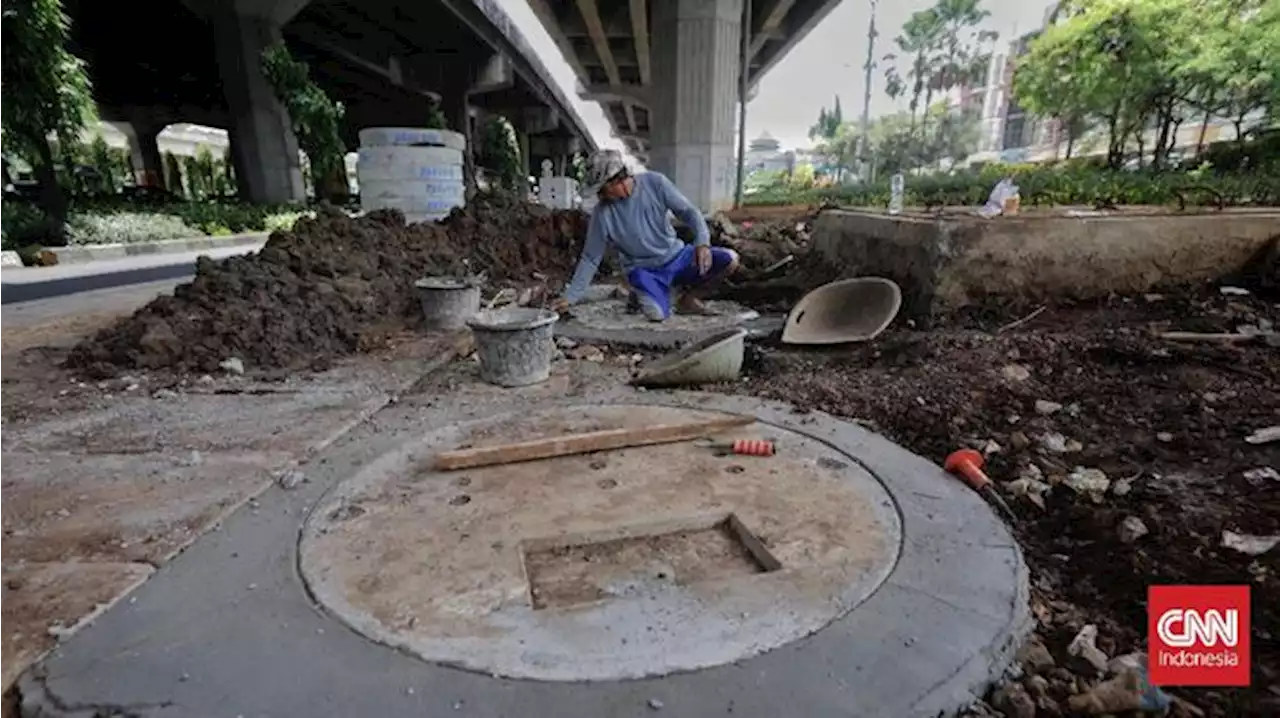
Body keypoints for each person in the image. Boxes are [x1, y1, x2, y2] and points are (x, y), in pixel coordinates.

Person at [549, 150, 739, 321]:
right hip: (644, 271)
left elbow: (689, 212)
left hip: (678, 257)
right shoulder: (602, 213)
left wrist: (702, 242)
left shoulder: (656, 183)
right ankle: (644, 292)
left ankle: (688, 299)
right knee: (656, 315)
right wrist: (571, 296)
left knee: (729, 259)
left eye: (602, 189)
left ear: (616, 180)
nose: (601, 196)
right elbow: (591, 258)